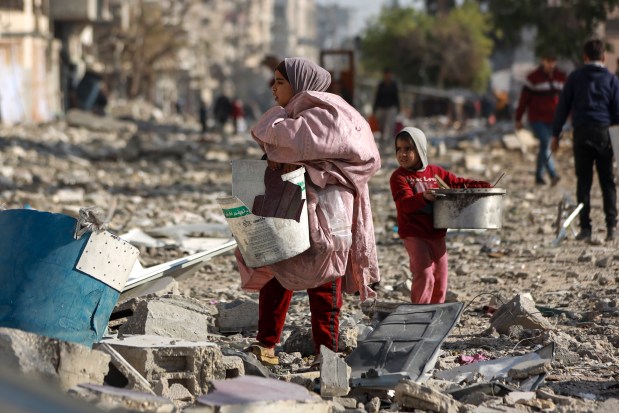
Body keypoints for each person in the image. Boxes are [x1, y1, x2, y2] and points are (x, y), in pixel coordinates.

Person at [235, 57, 381, 363]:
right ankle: (266, 344)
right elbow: (280, 142)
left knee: (325, 275)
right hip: (295, 203)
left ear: (299, 83)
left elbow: (294, 141)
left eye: (280, 82)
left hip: (328, 211)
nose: (273, 88)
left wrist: (292, 157)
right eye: (273, 81)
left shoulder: (327, 113)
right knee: (277, 266)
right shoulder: (296, 115)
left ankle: (326, 352)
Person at [390, 127, 491, 304]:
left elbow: (457, 183)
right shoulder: (399, 177)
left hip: (437, 232)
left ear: (420, 149)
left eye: (408, 149)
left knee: (441, 277)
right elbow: (405, 204)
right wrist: (424, 197)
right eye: (399, 149)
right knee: (424, 273)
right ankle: (419, 313)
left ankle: (436, 313)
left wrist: (481, 185)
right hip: (414, 234)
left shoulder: (435, 173)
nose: (402, 154)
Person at [551, 38, 619, 242]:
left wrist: (555, 135)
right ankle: (611, 227)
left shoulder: (575, 78)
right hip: (603, 133)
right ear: (604, 57)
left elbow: (562, 108)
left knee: (584, 182)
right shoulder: (612, 79)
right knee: (607, 181)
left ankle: (586, 228)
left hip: (581, 134)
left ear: (585, 57)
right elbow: (617, 112)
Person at [515, 54, 566, 186]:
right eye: (547, 61)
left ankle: (539, 176)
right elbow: (523, 100)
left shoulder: (561, 77)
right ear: (543, 61)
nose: (550, 64)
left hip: (554, 119)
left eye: (552, 61)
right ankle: (553, 174)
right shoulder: (533, 78)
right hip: (537, 118)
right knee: (545, 142)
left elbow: (567, 99)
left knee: (545, 146)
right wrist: (518, 118)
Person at [373, 68, 400, 146]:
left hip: (391, 108)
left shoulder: (394, 85)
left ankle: (388, 142)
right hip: (382, 108)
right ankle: (382, 141)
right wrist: (374, 109)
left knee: (390, 125)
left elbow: (396, 97)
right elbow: (377, 97)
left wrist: (398, 108)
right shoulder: (381, 85)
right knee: (381, 125)